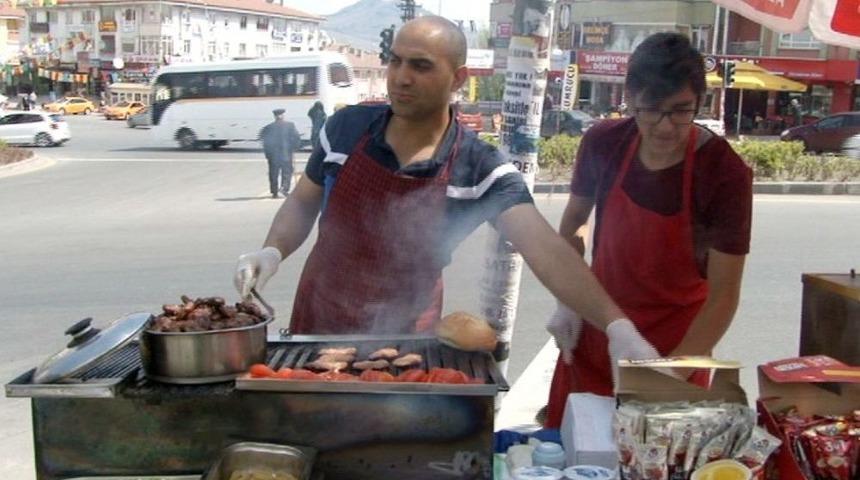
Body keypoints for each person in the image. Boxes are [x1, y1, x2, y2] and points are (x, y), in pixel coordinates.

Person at [233, 16, 660, 374]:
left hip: (408, 338)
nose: (401, 77)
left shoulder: (479, 167)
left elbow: (545, 248)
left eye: (420, 66)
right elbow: (304, 201)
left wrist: (617, 326)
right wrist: (272, 251)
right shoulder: (345, 130)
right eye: (396, 61)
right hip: (318, 323)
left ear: (458, 78)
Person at [544, 32, 752, 428]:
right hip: (598, 327)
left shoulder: (724, 174)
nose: (665, 127)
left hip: (679, 341)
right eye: (651, 110)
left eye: (681, 110)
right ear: (630, 99)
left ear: (699, 103)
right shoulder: (604, 142)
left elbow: (723, 297)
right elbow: (575, 225)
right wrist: (567, 299)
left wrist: (667, 377)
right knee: (573, 446)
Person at [259, 108, 301, 198]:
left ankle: (274, 192)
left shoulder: (268, 127)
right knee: (287, 172)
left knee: (273, 173)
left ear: (275, 116)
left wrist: (267, 154)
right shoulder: (290, 125)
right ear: (283, 115)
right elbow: (296, 138)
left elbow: (265, 142)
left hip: (273, 155)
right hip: (286, 154)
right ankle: (284, 188)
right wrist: (294, 148)